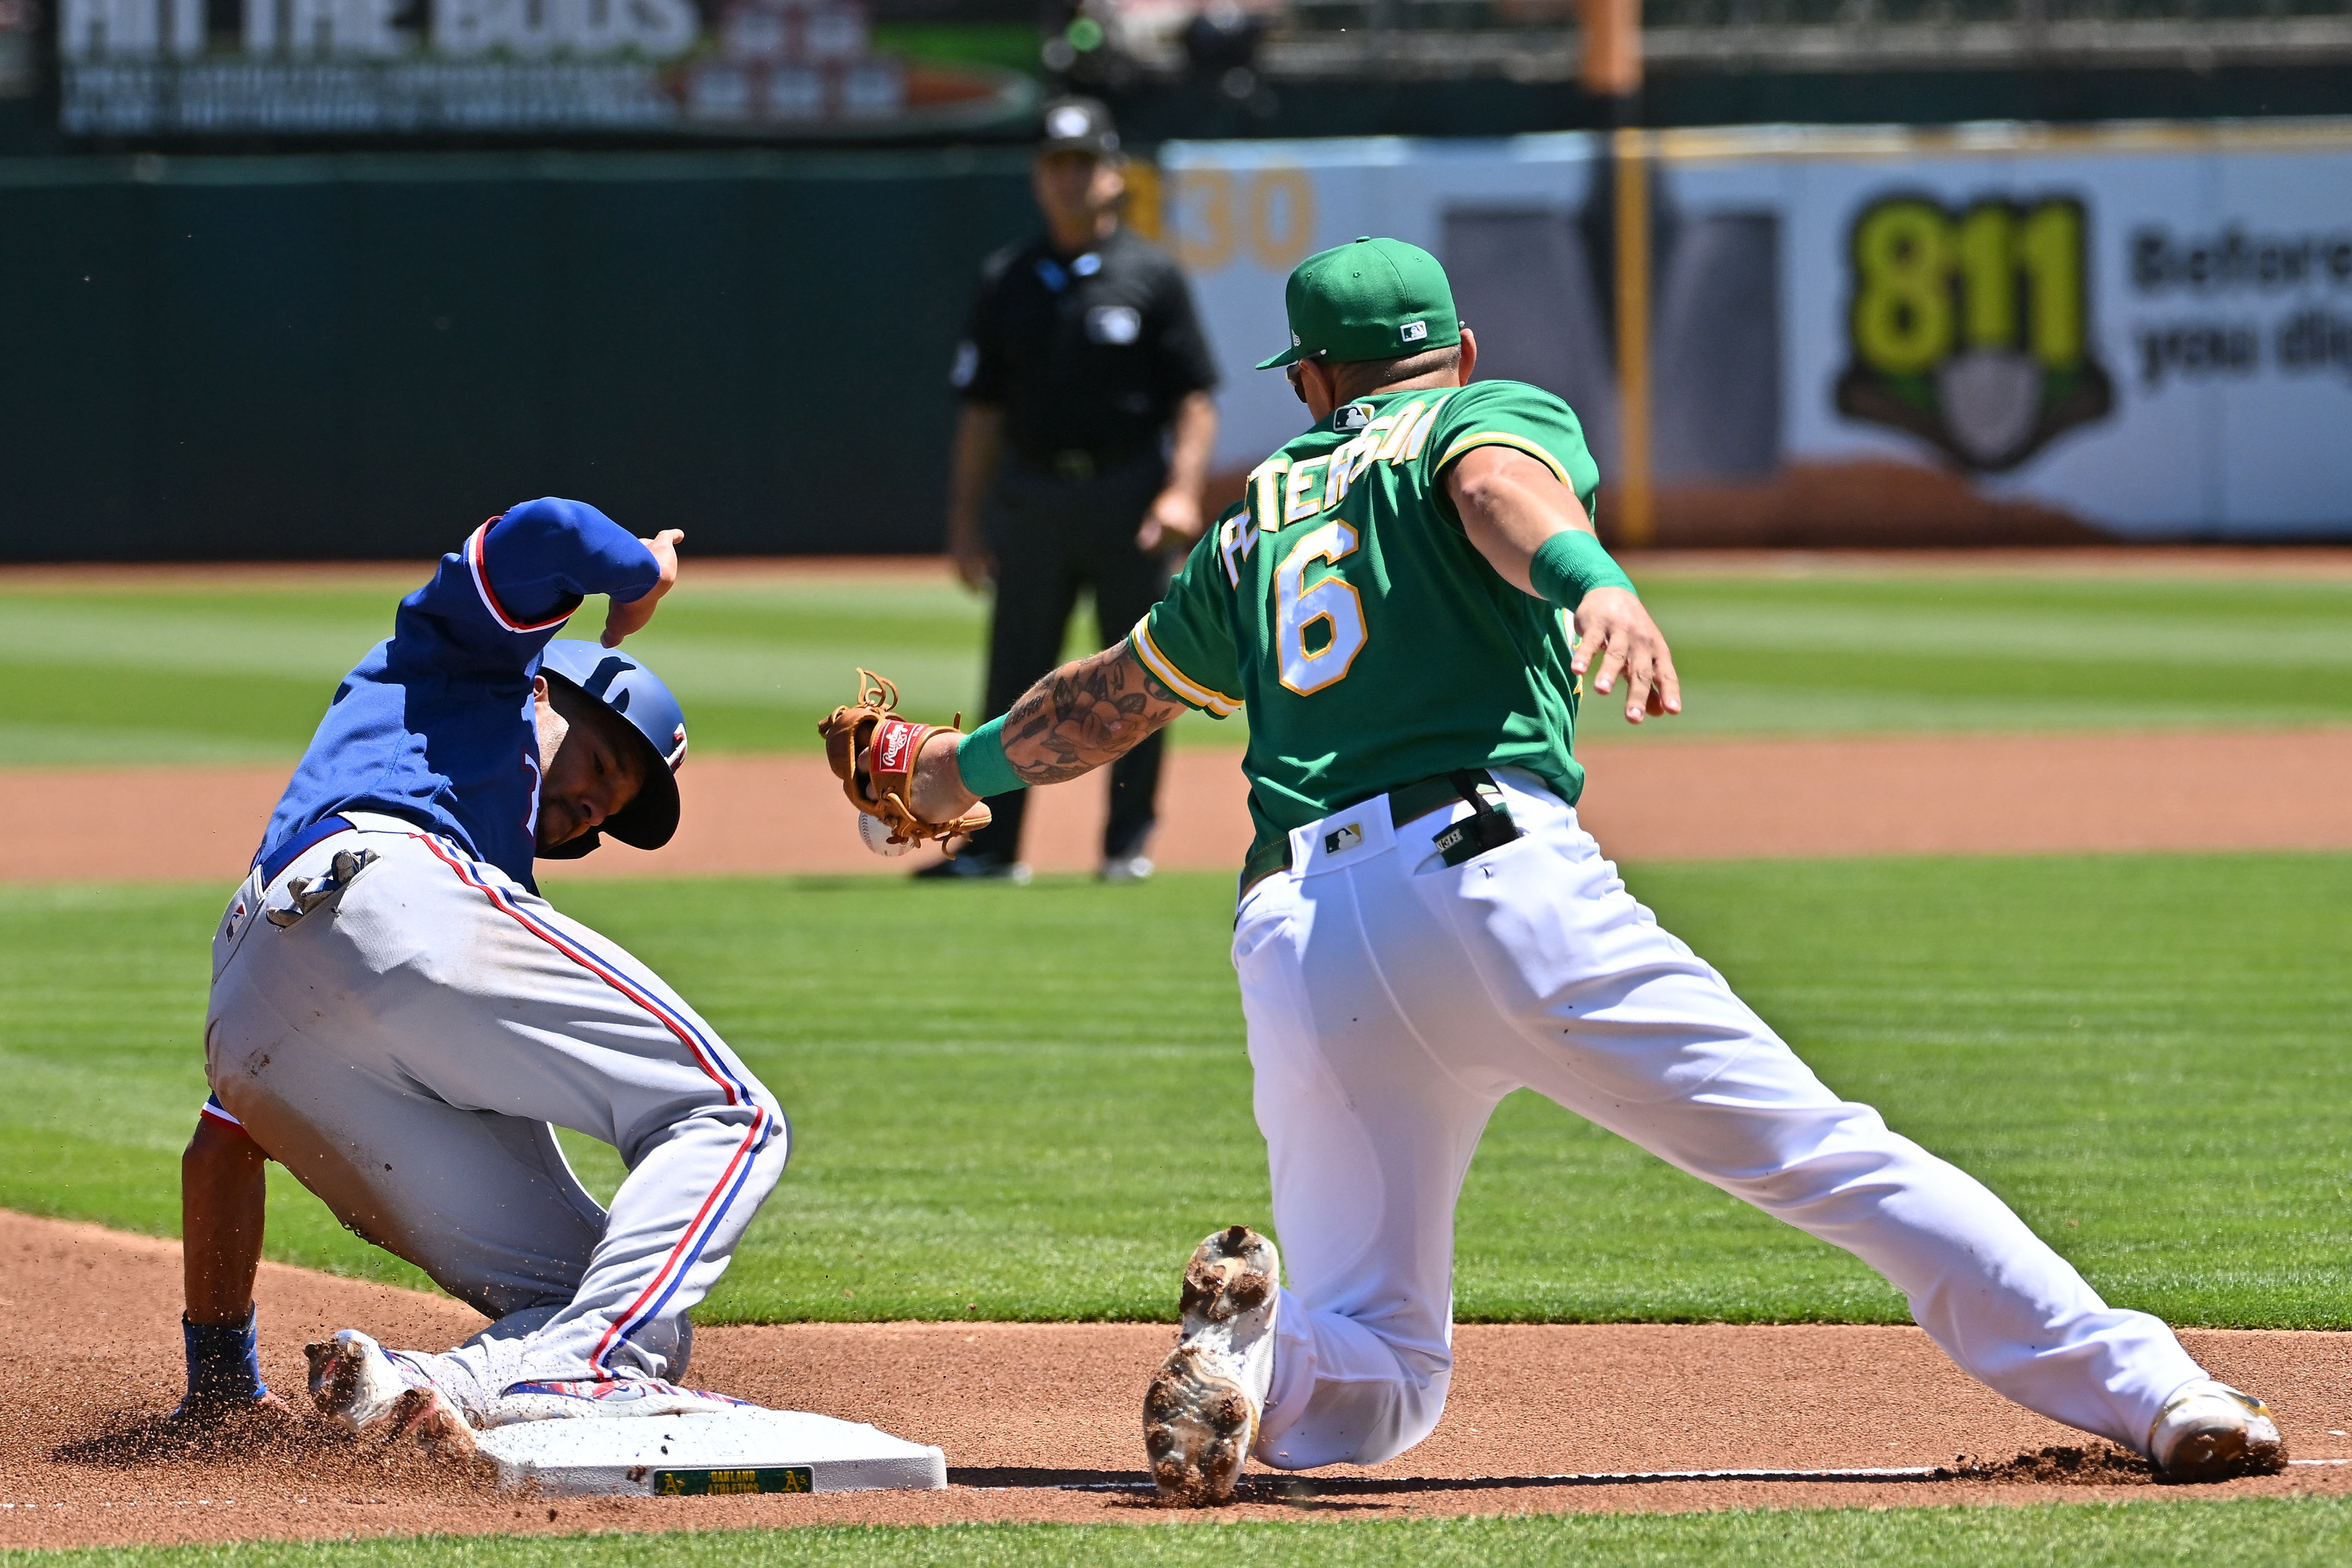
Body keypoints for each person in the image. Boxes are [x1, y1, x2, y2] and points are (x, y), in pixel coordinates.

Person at [847, 238, 2287, 1499]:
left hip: (1299, 937)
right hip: (1489, 887)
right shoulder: (1476, 412)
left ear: (1308, 383)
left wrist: (938, 770)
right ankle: (2162, 1393)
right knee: (1830, 1158)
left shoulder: (1254, 521)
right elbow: (1492, 486)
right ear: (1454, 351)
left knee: (1381, 1376)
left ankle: (1263, 1359)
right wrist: (1588, 575)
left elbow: (1108, 695)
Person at [172, 498, 787, 1451]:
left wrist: (218, 1375)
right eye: (600, 759)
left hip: (253, 1012)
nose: (592, 801)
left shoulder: (489, 875)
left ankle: (410, 1383)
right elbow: (544, 528)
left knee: (623, 1300)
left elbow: (222, 1144)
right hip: (386, 888)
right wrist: (638, 572)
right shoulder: (474, 669)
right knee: (731, 1114)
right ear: (547, 691)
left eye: (613, 804)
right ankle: (586, 1364)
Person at [935, 94, 1220, 884]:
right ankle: (994, 848)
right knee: (1013, 676)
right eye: (1056, 164)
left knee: (1142, 678)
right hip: (1033, 497)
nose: (1069, 179)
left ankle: (1125, 846)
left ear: (1111, 175)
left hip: (1128, 498)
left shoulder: (1150, 275)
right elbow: (980, 412)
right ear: (1038, 177)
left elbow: (1194, 398)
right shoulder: (1008, 279)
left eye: (1083, 164)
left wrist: (1179, 493)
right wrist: (964, 521)